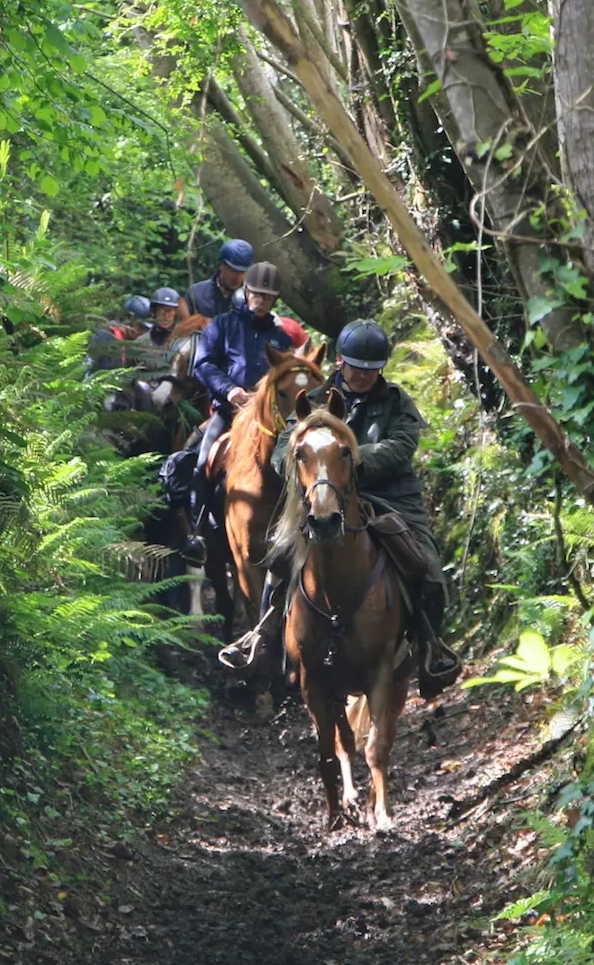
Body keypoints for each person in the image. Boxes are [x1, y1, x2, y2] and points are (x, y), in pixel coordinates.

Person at [221, 319, 461, 696]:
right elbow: (284, 446)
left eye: (371, 370)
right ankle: (261, 636)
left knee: (427, 566)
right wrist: (313, 463)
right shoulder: (314, 399)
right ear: (340, 362)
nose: (363, 376)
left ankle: (431, 647)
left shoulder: (397, 401)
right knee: (278, 560)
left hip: (390, 496)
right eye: (355, 368)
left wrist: (349, 458)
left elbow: (401, 446)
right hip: (324, 498)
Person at [181, 261, 295, 563]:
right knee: (203, 460)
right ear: (246, 291)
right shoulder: (222, 325)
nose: (260, 301)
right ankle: (197, 533)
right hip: (228, 414)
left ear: (275, 300)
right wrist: (229, 390)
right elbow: (203, 364)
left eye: (267, 297)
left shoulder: (282, 339)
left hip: (268, 421)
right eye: (256, 294)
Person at [188, 239, 255, 319]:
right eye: (233, 271)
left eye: (242, 272)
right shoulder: (196, 294)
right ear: (221, 265)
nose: (237, 277)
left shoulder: (252, 299)